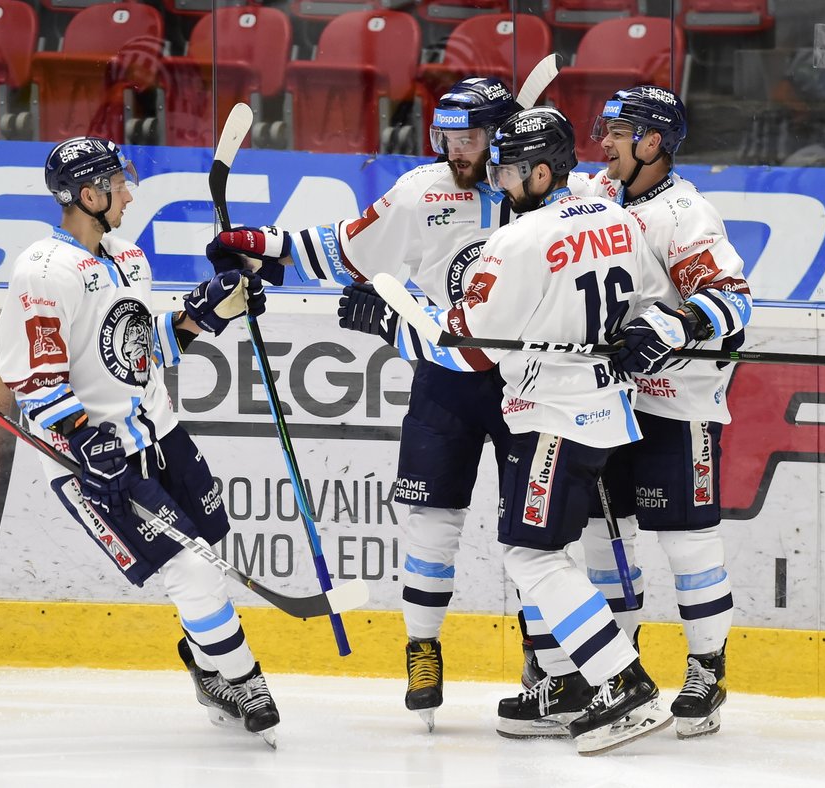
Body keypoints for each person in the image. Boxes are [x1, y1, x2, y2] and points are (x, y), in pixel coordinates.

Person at [212, 77, 590, 731]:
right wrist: (261, 243)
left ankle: (551, 670)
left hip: (534, 385)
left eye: (469, 138)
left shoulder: (557, 195)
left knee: (538, 536)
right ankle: (423, 651)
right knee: (430, 521)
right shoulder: (423, 191)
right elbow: (346, 248)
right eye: (444, 136)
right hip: (445, 377)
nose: (454, 150)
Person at [379, 105, 680, 754]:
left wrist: (389, 325)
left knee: (532, 553)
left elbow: (469, 351)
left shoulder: (517, 240)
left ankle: (621, 681)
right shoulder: (613, 216)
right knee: (549, 550)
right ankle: (570, 685)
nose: (501, 183)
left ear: (542, 172)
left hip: (552, 417)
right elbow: (656, 305)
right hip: (610, 415)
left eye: (511, 170)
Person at [0, 136, 280, 746]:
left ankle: (207, 668)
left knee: (211, 547)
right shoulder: (42, 274)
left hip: (158, 431)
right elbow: (36, 383)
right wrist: (80, 439)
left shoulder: (127, 257)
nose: (130, 191)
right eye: (117, 184)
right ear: (87, 195)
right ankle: (242, 678)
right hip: (91, 457)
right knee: (194, 572)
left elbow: (140, 355)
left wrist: (208, 313)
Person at [512, 85, 749, 741]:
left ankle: (706, 667)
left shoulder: (685, 214)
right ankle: (611, 679)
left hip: (681, 404)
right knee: (604, 546)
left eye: (618, 131)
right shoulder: (597, 195)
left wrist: (678, 322)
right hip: (610, 403)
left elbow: (735, 302)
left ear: (652, 141)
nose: (605, 140)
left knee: (686, 543)